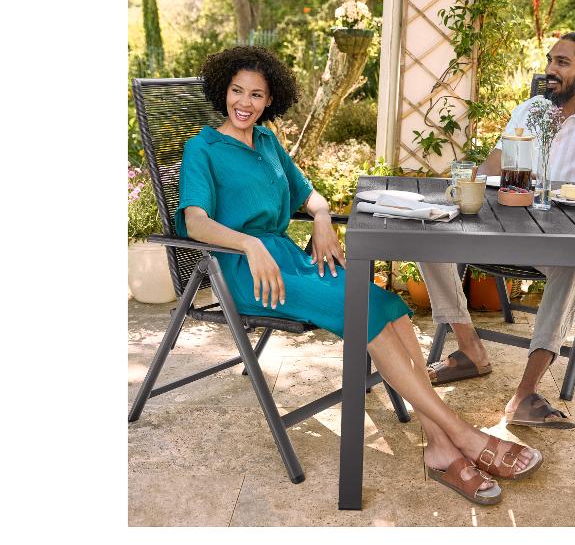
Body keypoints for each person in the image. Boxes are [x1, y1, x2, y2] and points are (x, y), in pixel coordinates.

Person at [174, 45, 543, 505]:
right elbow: (195, 221)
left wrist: (324, 218)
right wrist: (249, 243)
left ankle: (440, 445)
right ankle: (464, 437)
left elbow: (308, 194)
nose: (243, 103)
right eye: (236, 91)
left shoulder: (267, 143)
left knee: (389, 305)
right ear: (222, 90)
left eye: (255, 94)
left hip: (290, 259)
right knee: (364, 309)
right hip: (247, 271)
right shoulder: (203, 147)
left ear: (270, 100)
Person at [422, 31, 575, 429]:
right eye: (550, 60)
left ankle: (525, 393)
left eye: (562, 63)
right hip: (509, 223)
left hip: (564, 234)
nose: (550, 70)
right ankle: (471, 350)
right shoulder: (531, 109)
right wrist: (464, 187)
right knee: (426, 237)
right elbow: (495, 165)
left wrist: (572, 195)